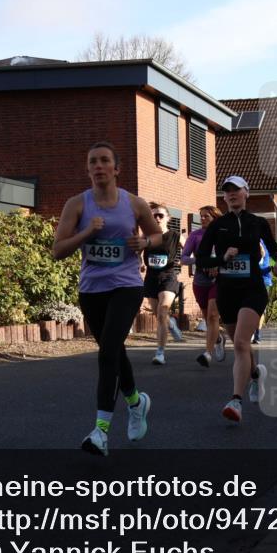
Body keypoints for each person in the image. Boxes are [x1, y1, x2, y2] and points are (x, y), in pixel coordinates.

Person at [53, 141, 160, 455]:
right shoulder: (77, 205)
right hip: (92, 289)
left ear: (116, 169)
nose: (98, 166)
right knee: (113, 352)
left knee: (108, 353)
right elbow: (58, 251)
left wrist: (143, 242)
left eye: (104, 161)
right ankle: (136, 402)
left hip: (126, 286)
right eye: (92, 162)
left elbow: (159, 239)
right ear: (87, 170)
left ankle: (100, 432)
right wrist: (87, 233)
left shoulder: (135, 204)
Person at [196, 176, 277, 423]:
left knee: (242, 343)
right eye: (227, 192)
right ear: (223, 198)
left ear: (246, 192)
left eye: (236, 190)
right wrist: (222, 258)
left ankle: (236, 400)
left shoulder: (257, 222)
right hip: (226, 291)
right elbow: (202, 260)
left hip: (253, 288)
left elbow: (273, 247)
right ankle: (256, 374)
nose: (232, 194)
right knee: (240, 345)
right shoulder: (217, 225)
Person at [181, 205, 226, 367]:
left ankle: (207, 353)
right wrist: (200, 261)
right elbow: (184, 258)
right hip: (200, 280)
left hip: (219, 279)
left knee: (214, 315)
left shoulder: (223, 234)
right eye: (201, 216)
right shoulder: (195, 235)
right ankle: (218, 338)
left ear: (215, 217)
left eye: (206, 216)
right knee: (208, 318)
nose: (202, 219)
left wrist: (218, 265)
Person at [141, 203, 183, 365]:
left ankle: (160, 353)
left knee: (162, 311)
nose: (157, 218)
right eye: (154, 216)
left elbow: (189, 251)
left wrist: (185, 259)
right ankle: (171, 323)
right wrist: (140, 262)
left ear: (168, 218)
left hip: (169, 276)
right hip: (151, 277)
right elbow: (137, 252)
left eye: (160, 215)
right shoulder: (147, 236)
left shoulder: (175, 236)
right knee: (160, 317)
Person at [252, 239, 274, 344]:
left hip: (263, 280)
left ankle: (257, 333)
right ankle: (255, 333)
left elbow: (263, 264)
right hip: (257, 279)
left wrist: (271, 268)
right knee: (255, 308)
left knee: (260, 309)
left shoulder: (262, 242)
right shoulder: (256, 241)